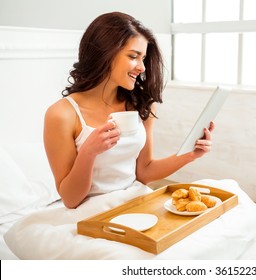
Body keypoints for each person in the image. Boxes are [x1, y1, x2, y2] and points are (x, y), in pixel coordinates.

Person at [44, 12, 214, 209]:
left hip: (134, 202)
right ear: (104, 53)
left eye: (143, 58)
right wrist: (88, 153)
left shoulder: (140, 105)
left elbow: (144, 172)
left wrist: (189, 155)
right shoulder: (62, 115)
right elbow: (70, 199)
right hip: (90, 212)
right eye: (133, 56)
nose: (142, 67)